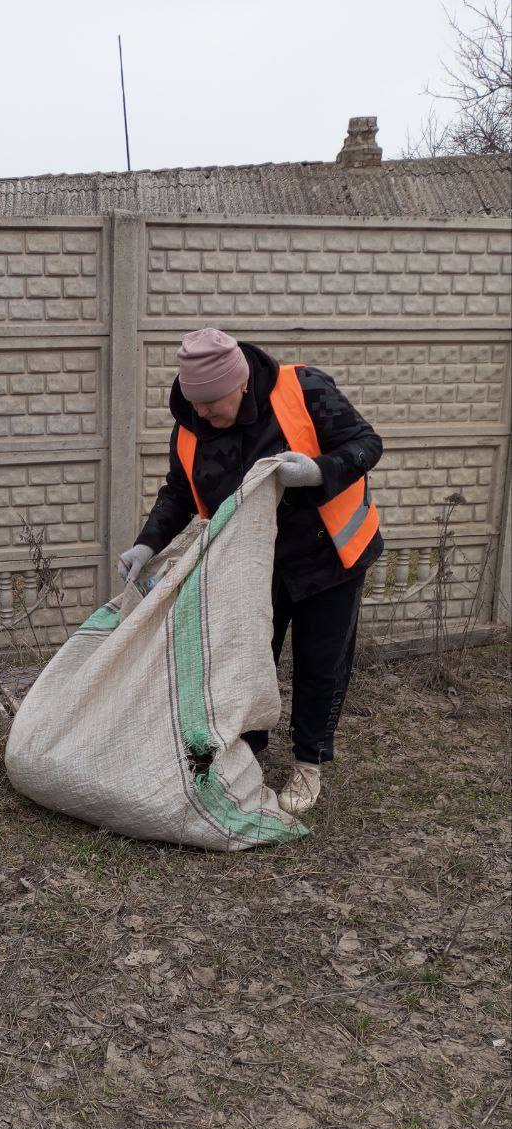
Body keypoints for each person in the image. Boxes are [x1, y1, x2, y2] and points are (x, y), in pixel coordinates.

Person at [117, 328, 383, 816]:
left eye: (212, 403)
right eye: (196, 404)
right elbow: (178, 492)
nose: (204, 414)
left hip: (330, 557)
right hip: (252, 566)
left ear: (240, 384)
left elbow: (367, 443)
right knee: (245, 660)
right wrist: (145, 543)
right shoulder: (191, 426)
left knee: (321, 663)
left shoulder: (302, 390)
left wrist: (319, 471)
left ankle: (309, 763)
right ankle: (246, 755)